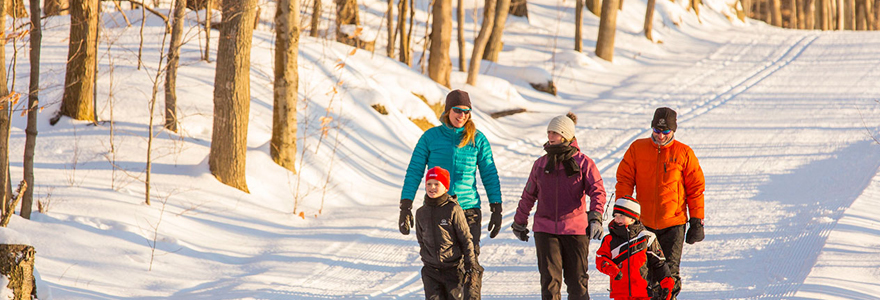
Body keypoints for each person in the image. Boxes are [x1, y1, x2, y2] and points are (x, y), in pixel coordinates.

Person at [399, 89, 503, 299]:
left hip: (468, 210)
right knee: (440, 264)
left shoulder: (477, 139)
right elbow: (414, 170)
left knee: (469, 263)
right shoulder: (430, 137)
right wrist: (405, 205)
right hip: (438, 210)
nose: (462, 115)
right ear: (448, 111)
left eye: (466, 111)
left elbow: (489, 172)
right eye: (457, 110)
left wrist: (496, 206)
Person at [511, 112, 607, 300]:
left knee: (577, 283)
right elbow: (528, 195)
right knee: (550, 284)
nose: (550, 137)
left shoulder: (583, 163)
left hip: (575, 230)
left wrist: (595, 217)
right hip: (545, 230)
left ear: (566, 135)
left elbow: (598, 191)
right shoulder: (540, 164)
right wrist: (519, 222)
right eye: (549, 132)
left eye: (554, 133)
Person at [615, 107, 705, 300]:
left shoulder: (684, 153)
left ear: (673, 130)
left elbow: (695, 188)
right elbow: (624, 180)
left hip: (673, 225)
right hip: (642, 225)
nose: (661, 136)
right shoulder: (637, 149)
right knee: (644, 277)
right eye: (657, 131)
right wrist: (622, 213)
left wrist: (697, 221)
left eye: (665, 132)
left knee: (668, 276)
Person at [416, 166, 480, 300]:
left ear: (445, 187)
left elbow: (465, 238)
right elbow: (421, 239)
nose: (432, 187)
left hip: (453, 269)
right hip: (431, 271)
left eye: (436, 184)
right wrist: (426, 257)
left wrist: (470, 263)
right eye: (429, 184)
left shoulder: (453, 209)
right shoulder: (421, 212)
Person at [596, 196, 675, 300]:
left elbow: (659, 263)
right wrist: (612, 269)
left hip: (643, 292)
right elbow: (601, 259)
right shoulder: (610, 239)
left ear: (633, 218)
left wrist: (666, 285)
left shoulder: (646, 237)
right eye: (615, 215)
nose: (617, 219)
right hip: (620, 293)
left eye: (621, 215)